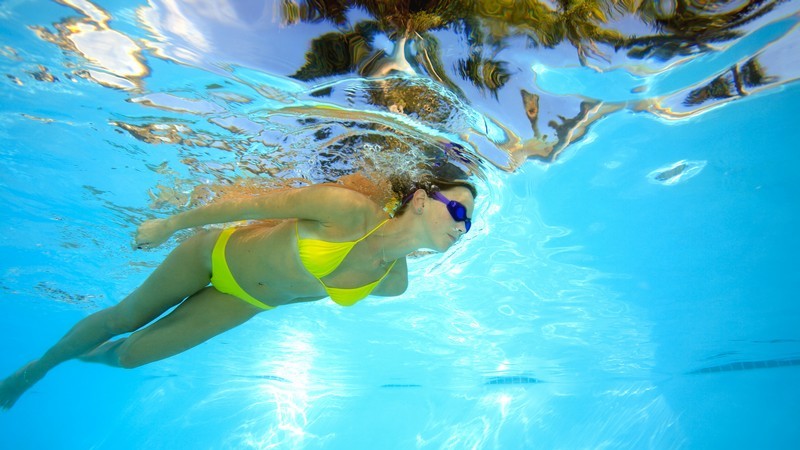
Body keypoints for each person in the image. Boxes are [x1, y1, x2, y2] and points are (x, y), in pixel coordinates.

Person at [0, 175, 477, 409]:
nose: (462, 225)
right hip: (215, 255)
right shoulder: (347, 209)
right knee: (123, 318)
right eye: (457, 211)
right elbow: (252, 202)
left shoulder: (394, 283)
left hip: (246, 301)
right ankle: (36, 370)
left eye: (469, 223)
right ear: (418, 201)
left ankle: (81, 355)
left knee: (129, 357)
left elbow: (307, 289)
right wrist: (170, 223)